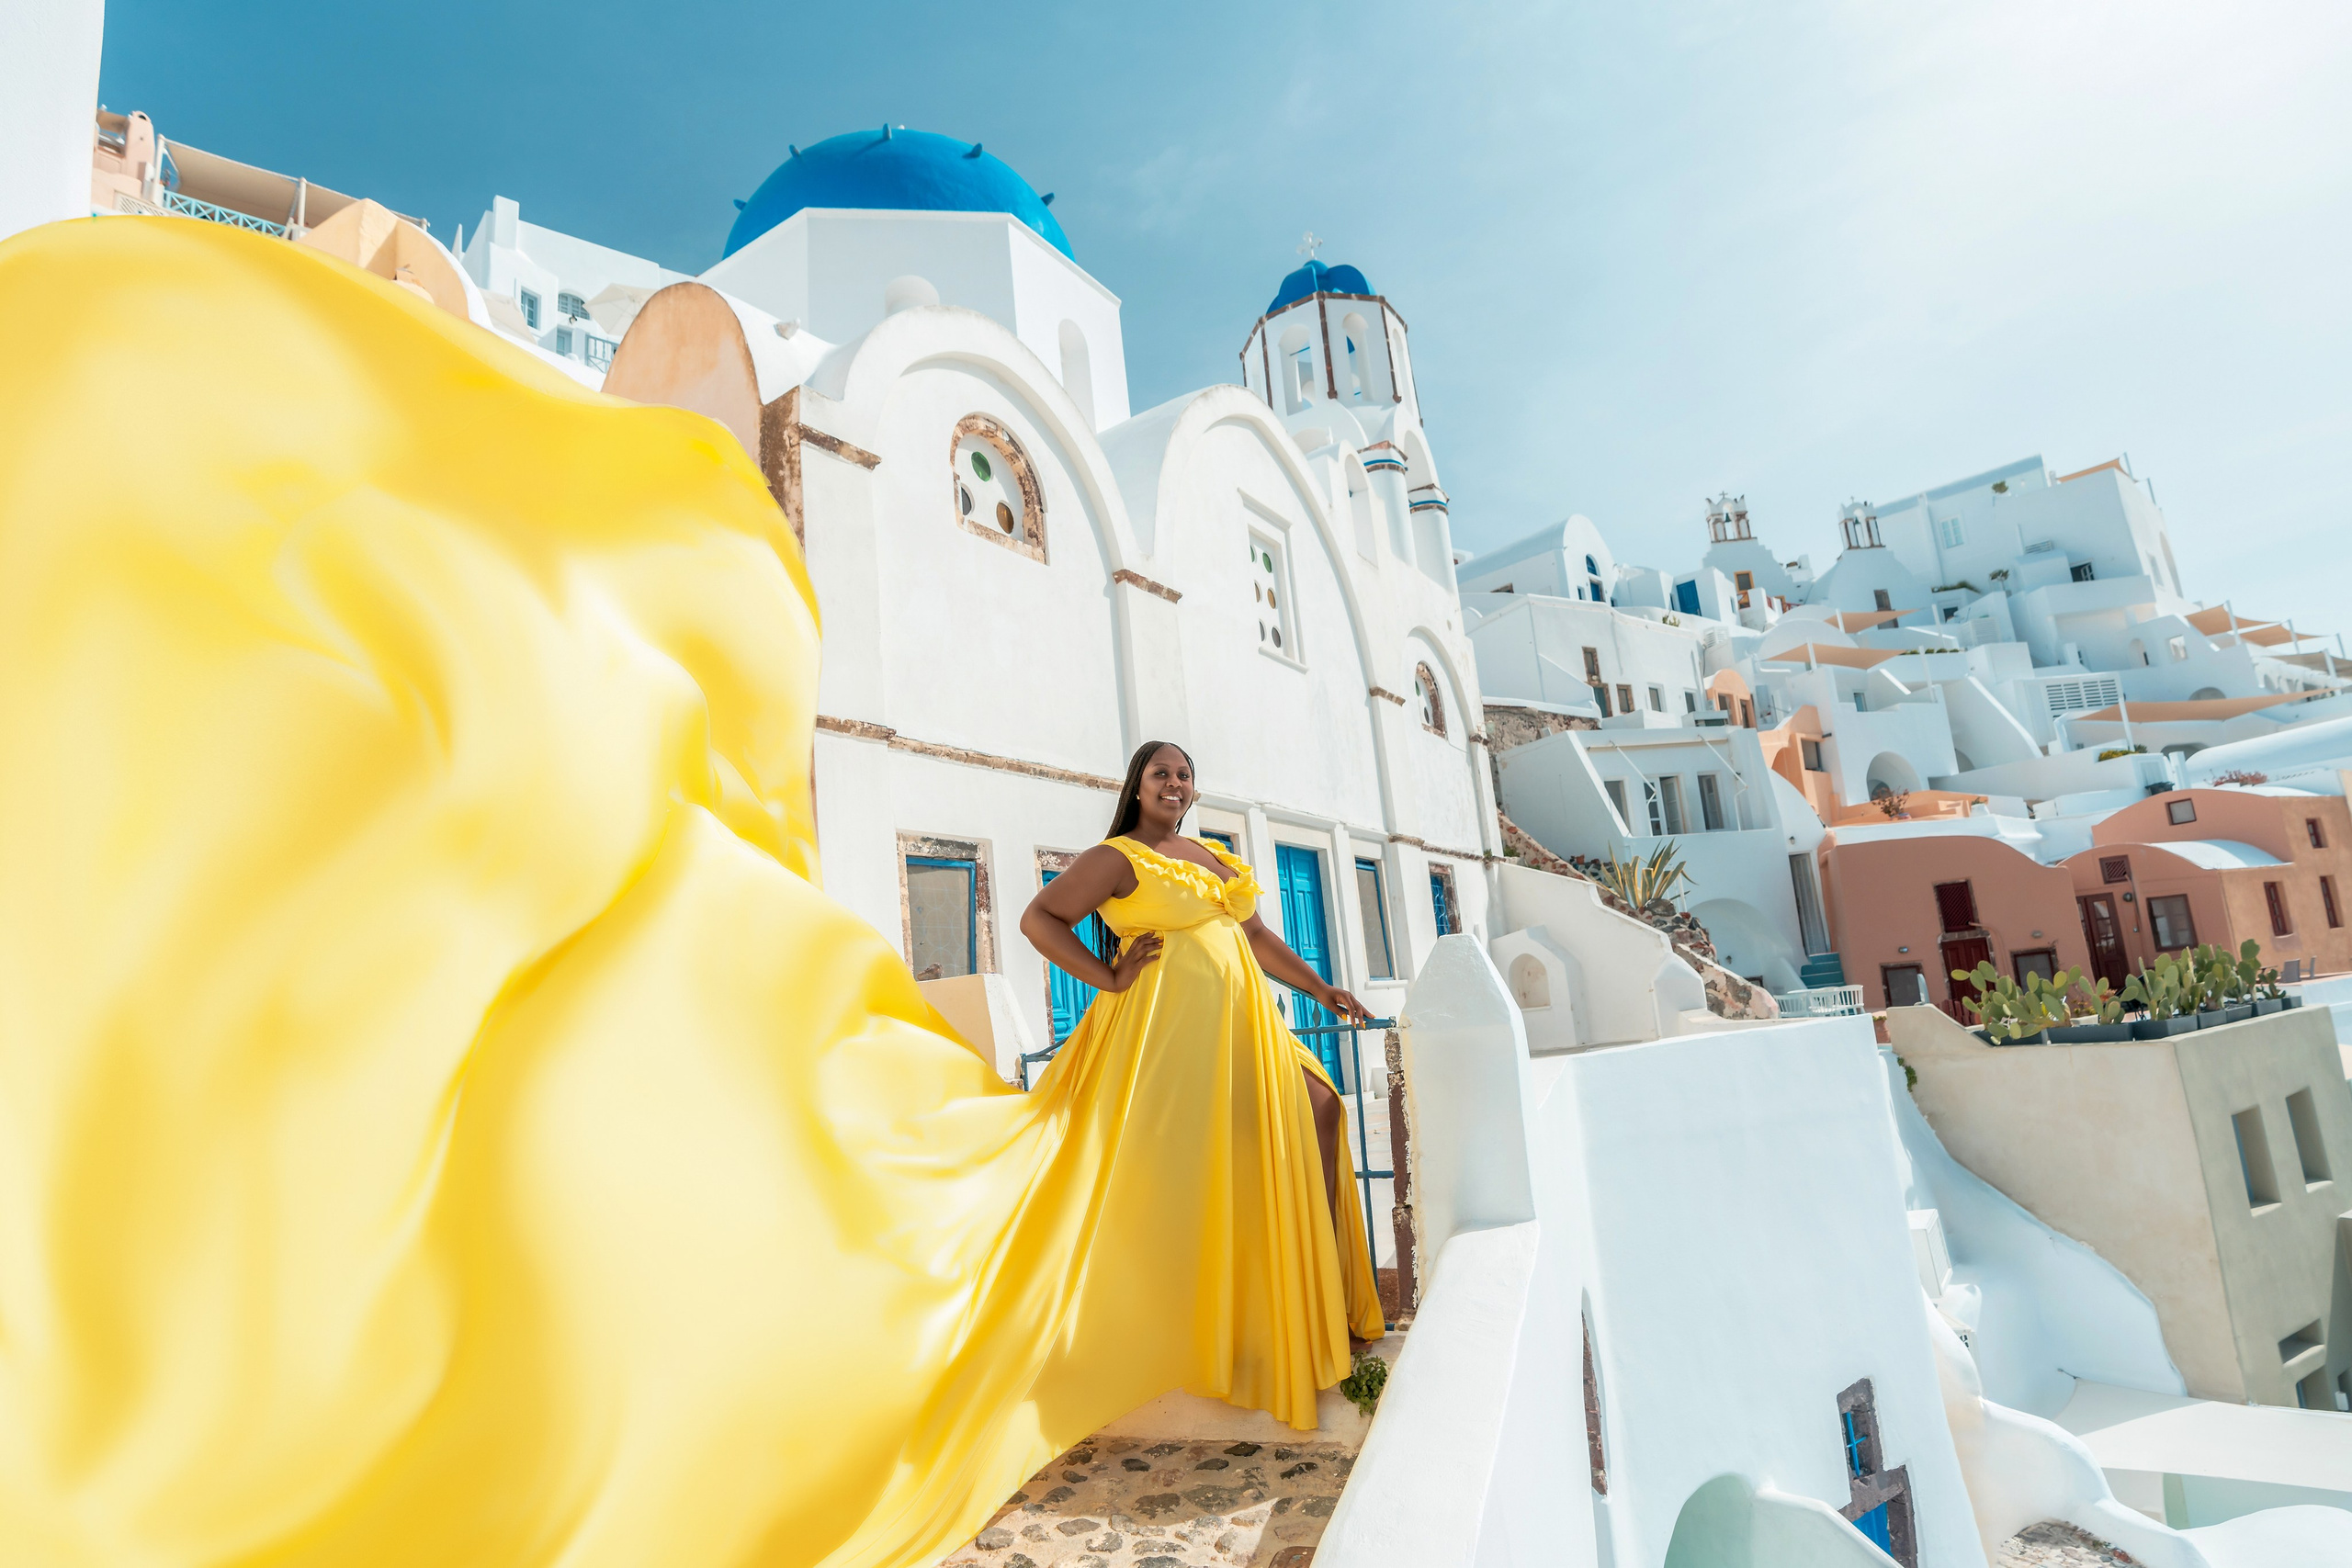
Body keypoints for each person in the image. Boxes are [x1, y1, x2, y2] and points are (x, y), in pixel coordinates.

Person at [1021, 741, 1373, 1262]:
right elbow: (1039, 919)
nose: (1173, 783)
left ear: (1193, 790)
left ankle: (1309, 1268)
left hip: (1243, 1023)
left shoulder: (1211, 856)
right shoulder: (1116, 857)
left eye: (1183, 775)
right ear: (1137, 786)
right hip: (1170, 1027)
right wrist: (1110, 978)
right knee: (1197, 1155)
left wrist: (1320, 987)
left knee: (1318, 1103)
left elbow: (1255, 936)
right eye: (1160, 773)